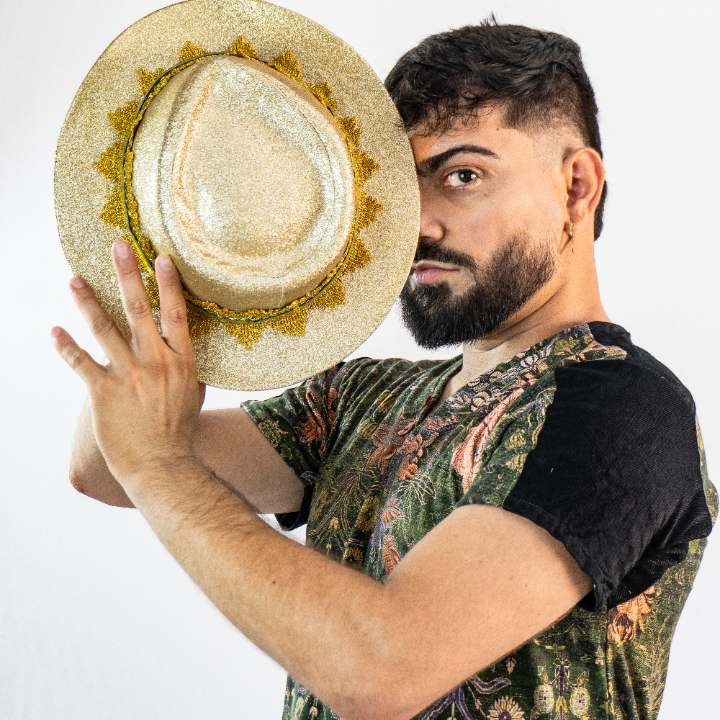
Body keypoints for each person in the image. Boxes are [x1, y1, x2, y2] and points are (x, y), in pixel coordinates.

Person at [53, 18, 716, 720]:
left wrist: (159, 466)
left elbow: (382, 670)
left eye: (463, 176)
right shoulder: (360, 398)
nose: (418, 224)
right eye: (404, 186)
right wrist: (189, 259)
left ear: (575, 187)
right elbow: (106, 466)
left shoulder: (623, 407)